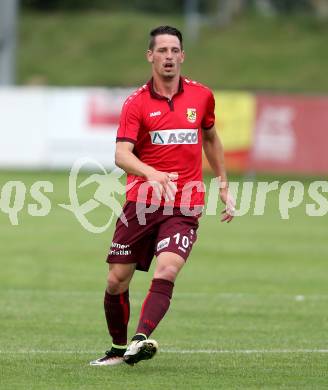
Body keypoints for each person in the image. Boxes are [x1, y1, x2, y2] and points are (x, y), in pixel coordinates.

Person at [90, 25, 234, 367]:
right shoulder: (135, 103)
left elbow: (211, 139)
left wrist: (223, 182)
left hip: (185, 204)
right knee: (116, 280)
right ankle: (117, 347)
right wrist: (151, 173)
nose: (168, 57)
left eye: (174, 50)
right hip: (141, 203)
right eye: (162, 51)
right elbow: (121, 155)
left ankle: (139, 341)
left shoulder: (201, 97)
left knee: (167, 269)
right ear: (150, 56)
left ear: (182, 56)